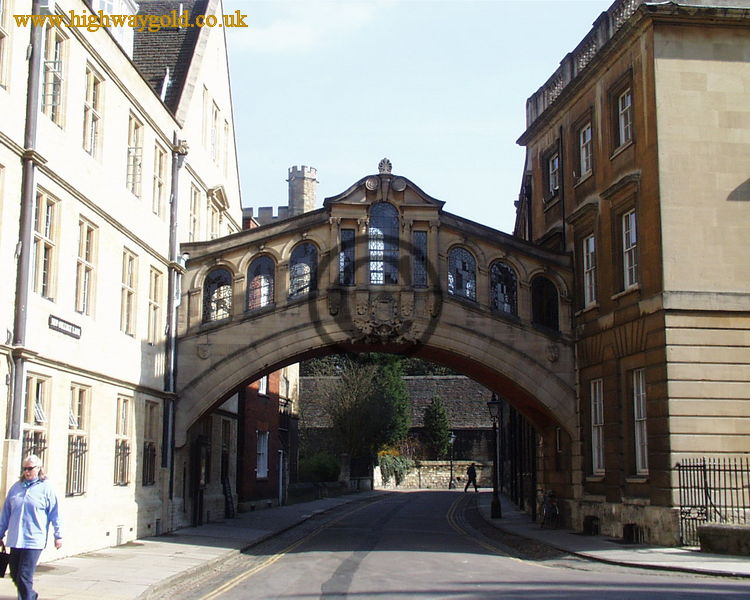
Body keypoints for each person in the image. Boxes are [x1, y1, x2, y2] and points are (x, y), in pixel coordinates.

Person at [0, 455, 62, 600]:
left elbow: (55, 513)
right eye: (24, 469)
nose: (26, 472)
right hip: (16, 539)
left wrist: (58, 535)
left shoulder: (46, 488)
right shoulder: (16, 488)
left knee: (24, 575)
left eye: (30, 469)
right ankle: (31, 595)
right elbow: (6, 513)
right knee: (15, 574)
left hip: (34, 539)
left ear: (39, 468)